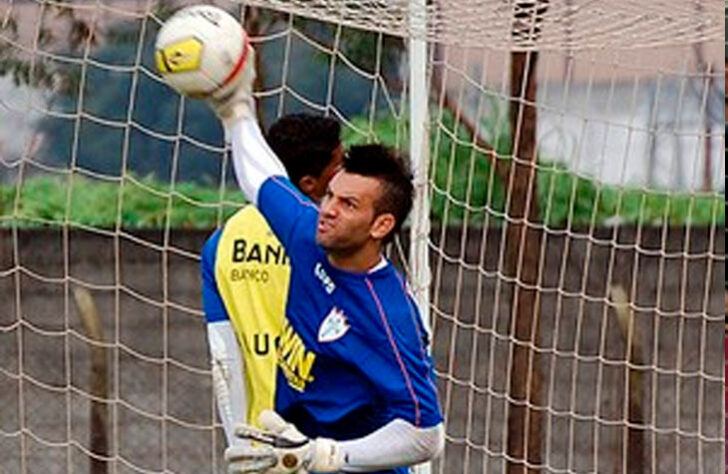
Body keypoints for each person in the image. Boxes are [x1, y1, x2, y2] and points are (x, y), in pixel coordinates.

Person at [205, 44, 444, 474]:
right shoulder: (307, 236)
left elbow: (425, 435)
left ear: (381, 225)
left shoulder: (389, 316)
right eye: (330, 195)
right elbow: (262, 178)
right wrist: (235, 108)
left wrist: (331, 456)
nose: (329, 208)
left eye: (349, 204)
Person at [201, 113, 344, 447]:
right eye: (339, 167)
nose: (346, 175)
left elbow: (225, 358)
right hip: (335, 445)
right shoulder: (329, 238)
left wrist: (239, 449)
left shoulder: (221, 243)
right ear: (309, 183)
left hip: (263, 446)